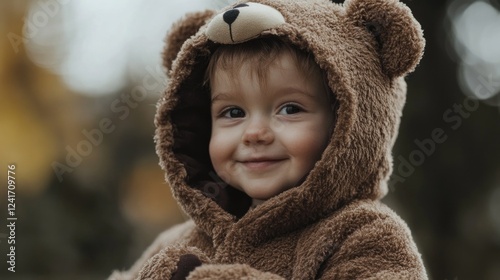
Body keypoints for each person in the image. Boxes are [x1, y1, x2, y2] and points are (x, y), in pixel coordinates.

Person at [110, 0, 427, 279]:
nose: (254, 133)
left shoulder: (364, 235)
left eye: (290, 109)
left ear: (347, 124)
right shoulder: (179, 241)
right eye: (233, 112)